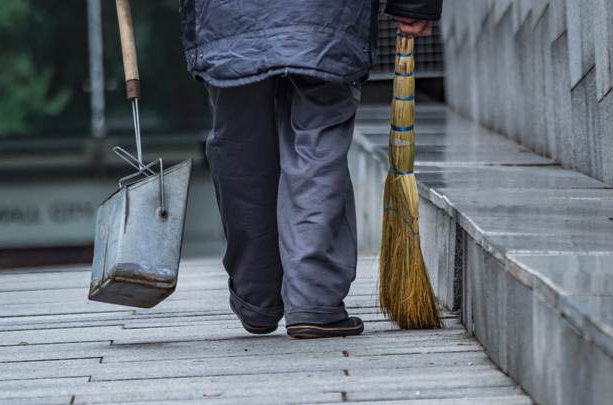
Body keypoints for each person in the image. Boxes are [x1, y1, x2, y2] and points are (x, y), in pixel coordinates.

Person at [179, 0, 443, 339]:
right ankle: (313, 299)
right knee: (318, 138)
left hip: (230, 18)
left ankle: (256, 295)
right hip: (326, 15)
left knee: (241, 141)